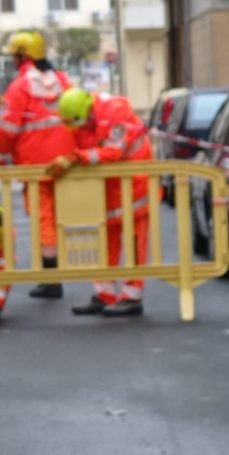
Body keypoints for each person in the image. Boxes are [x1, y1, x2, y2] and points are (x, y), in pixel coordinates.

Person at [49, 88, 152, 317]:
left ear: (89, 113)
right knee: (106, 240)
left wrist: (78, 158)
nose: (82, 129)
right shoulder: (84, 119)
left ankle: (132, 297)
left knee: (135, 242)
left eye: (83, 124)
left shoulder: (116, 112)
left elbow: (115, 150)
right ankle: (104, 294)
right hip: (109, 187)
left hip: (135, 185)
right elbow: (87, 148)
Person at [0, 31, 76, 299]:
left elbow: (7, 128)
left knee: (43, 218)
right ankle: (56, 272)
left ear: (21, 57)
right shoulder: (63, 81)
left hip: (34, 165)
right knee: (62, 216)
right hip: (65, 161)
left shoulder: (20, 87)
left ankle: (51, 278)